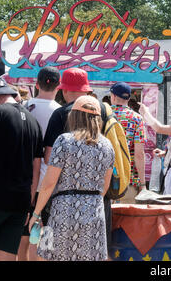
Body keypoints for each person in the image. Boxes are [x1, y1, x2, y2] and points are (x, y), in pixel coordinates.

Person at [29, 95, 114, 261]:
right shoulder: (107, 145)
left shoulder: (64, 141)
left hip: (62, 210)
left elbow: (49, 183)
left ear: (73, 116)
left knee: (48, 256)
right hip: (95, 211)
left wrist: (36, 214)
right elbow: (105, 185)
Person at [43, 67, 113, 256]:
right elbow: (105, 180)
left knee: (53, 254)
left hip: (62, 203)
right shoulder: (104, 114)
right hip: (96, 204)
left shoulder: (60, 117)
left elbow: (50, 159)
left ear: (64, 90)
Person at [0, 77, 44, 261]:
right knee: (7, 255)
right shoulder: (33, 121)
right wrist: (30, 201)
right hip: (20, 201)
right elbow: (36, 166)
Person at [18, 67, 61, 261]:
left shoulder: (24, 107)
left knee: (24, 232)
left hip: (24, 177)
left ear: (36, 84)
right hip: (51, 181)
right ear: (59, 87)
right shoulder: (60, 112)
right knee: (47, 232)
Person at [109, 81, 146, 203]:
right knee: (126, 220)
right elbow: (139, 154)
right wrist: (143, 184)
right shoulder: (136, 118)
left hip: (104, 179)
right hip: (128, 180)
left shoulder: (102, 115)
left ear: (113, 96)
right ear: (129, 98)